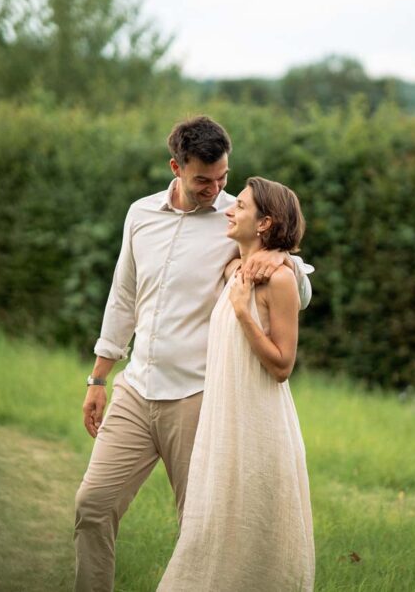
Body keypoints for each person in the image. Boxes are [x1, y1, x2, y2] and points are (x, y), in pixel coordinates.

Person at [73, 117, 313, 592]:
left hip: (196, 399)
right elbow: (123, 298)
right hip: (136, 390)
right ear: (176, 168)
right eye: (204, 179)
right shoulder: (140, 215)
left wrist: (285, 259)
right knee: (92, 506)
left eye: (223, 178)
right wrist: (99, 379)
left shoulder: (234, 221)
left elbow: (296, 286)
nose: (215, 189)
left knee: (201, 528)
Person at [157, 177, 315, 591]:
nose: (229, 210)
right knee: (214, 526)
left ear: (265, 223)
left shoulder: (277, 281)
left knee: (253, 536)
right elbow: (239, 267)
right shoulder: (237, 270)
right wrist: (245, 273)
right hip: (223, 420)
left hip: (258, 422)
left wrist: (244, 313)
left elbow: (283, 366)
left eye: (240, 207)